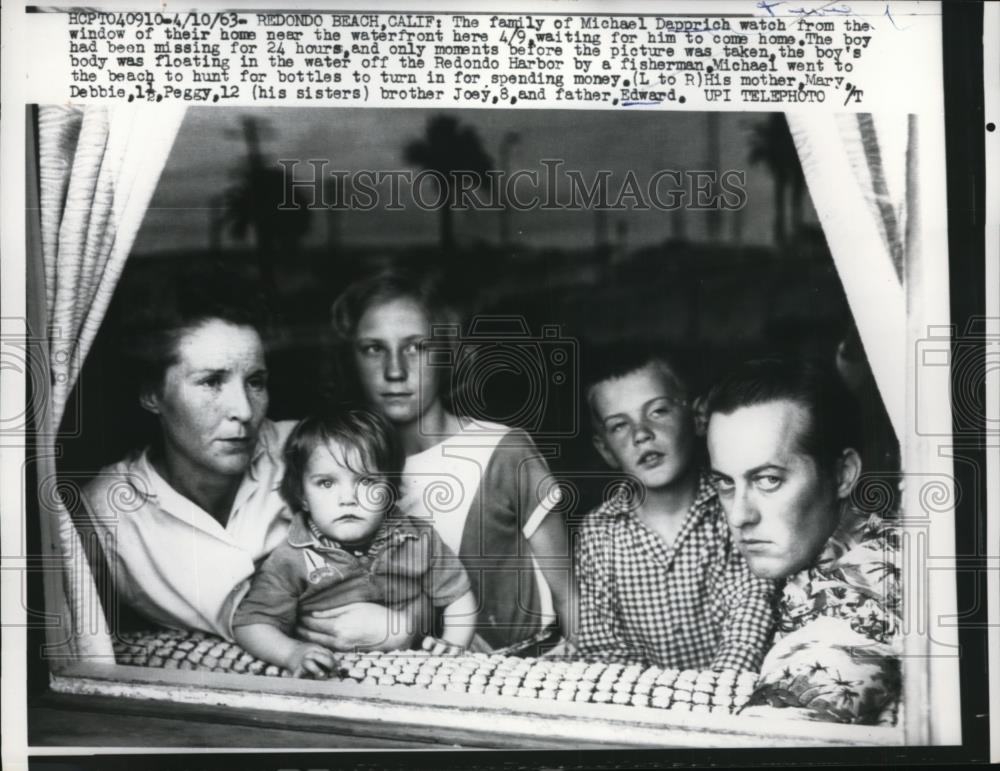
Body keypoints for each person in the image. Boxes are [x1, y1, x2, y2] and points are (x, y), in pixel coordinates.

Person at [81, 269, 414, 650]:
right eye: (211, 382)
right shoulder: (104, 513)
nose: (243, 410)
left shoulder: (314, 452)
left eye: (255, 382)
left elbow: (425, 562)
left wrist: (407, 624)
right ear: (152, 395)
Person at [306, 269, 571, 654]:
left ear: (446, 351)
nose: (395, 371)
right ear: (350, 359)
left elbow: (569, 597)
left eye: (416, 347)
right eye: (373, 349)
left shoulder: (504, 452)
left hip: (522, 674)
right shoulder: (336, 467)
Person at [705, 356, 901, 724]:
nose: (738, 515)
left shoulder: (862, 595)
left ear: (843, 474)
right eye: (725, 483)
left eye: (769, 480)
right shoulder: (808, 549)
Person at [574, 347, 776, 671]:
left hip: (731, 694)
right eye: (618, 426)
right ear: (605, 449)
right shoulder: (598, 533)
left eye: (657, 411)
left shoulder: (734, 509)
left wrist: (714, 693)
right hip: (646, 706)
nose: (641, 434)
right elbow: (603, 644)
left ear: (697, 418)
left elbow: (749, 613)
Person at [233, 409, 476, 676]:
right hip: (331, 675)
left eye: (367, 481)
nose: (347, 498)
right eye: (326, 483)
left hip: (413, 668)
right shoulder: (292, 558)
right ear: (302, 495)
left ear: (390, 490)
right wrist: (292, 653)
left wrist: (453, 646)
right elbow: (250, 623)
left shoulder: (419, 539)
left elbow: (458, 596)